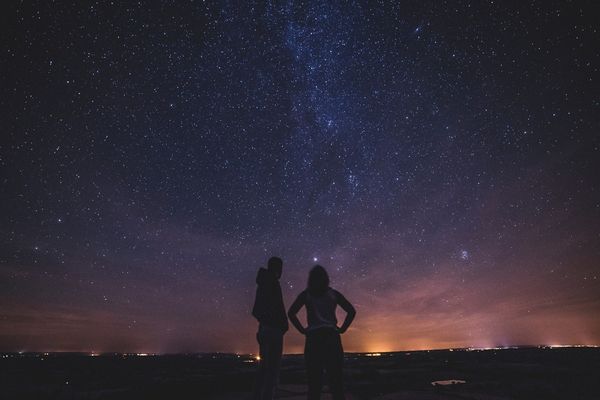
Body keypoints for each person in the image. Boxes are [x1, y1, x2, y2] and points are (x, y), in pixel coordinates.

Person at [288, 265, 356, 400]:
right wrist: (342, 329)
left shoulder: (306, 294)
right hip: (332, 338)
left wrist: (303, 330)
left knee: (314, 385)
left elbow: (291, 313)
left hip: (313, 339)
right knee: (336, 383)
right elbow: (351, 311)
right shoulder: (333, 293)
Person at [252, 256, 289, 400]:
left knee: (264, 368)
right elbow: (276, 308)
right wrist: (280, 325)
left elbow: (257, 310)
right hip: (272, 330)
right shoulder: (271, 283)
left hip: (265, 329)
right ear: (277, 268)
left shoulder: (264, 283)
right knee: (272, 371)